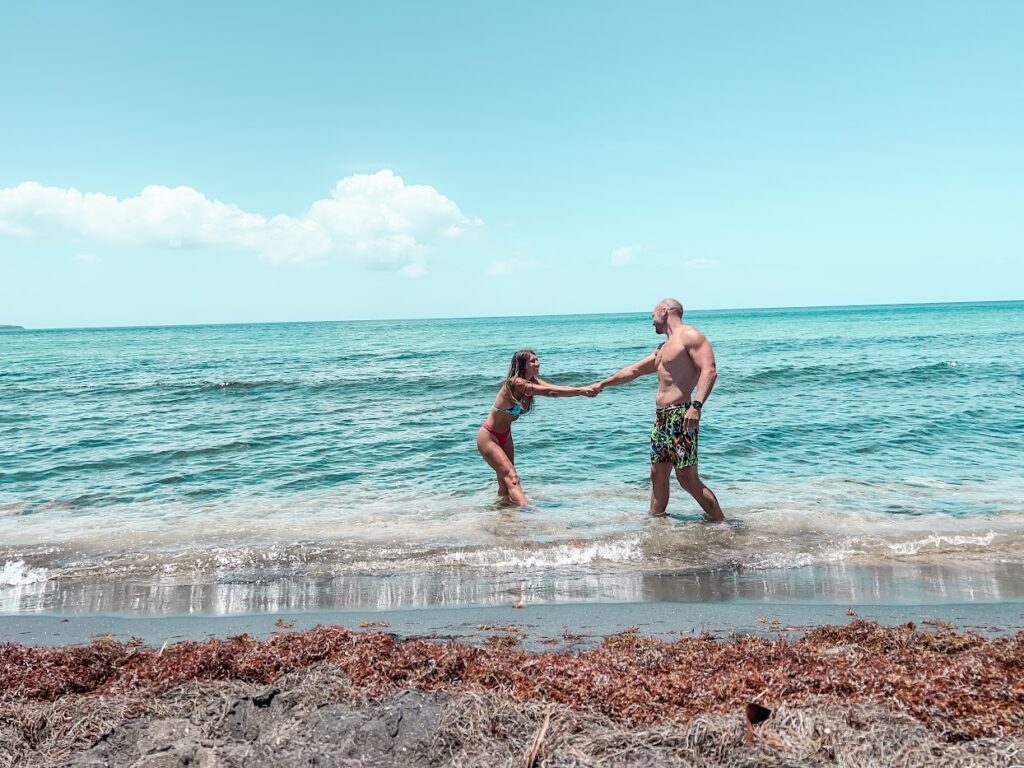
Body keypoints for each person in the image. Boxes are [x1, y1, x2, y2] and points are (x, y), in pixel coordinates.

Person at [593, 299, 725, 521]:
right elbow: (633, 370)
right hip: (662, 418)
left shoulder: (690, 336)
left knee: (687, 478)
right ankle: (656, 520)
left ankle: (722, 522)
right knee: (657, 473)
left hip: (681, 415)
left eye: (652, 314)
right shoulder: (664, 348)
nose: (651, 320)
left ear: (664, 311)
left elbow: (709, 370)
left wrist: (696, 405)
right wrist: (602, 384)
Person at [478, 349, 598, 506]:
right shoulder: (515, 383)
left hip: (505, 436)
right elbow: (551, 392)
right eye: (533, 361)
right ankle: (528, 511)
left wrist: (582, 390)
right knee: (512, 477)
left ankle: (503, 513)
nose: (538, 363)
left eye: (537, 360)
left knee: (505, 483)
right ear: (523, 365)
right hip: (489, 437)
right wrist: (582, 391)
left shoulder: (532, 381)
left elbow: (554, 389)